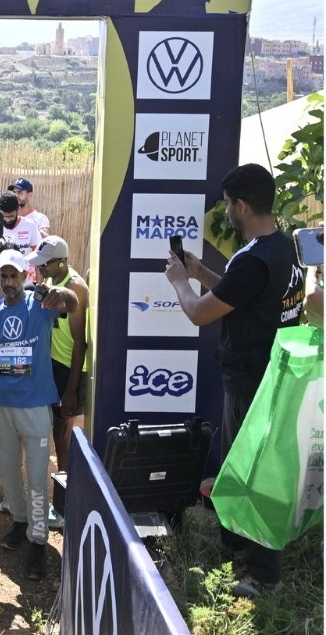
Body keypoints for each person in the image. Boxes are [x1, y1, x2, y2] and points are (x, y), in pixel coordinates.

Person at [164, 163, 305, 598]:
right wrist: (199, 273)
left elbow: (199, 313)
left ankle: (262, 575)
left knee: (259, 477)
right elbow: (241, 295)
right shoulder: (283, 247)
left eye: (227, 204)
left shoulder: (252, 259)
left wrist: (179, 283)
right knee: (243, 468)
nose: (226, 211)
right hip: (271, 377)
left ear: (241, 205)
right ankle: (238, 546)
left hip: (253, 381)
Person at [0, 249, 79, 581]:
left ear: (25, 276)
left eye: (14, 276)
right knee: (9, 472)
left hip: (36, 406)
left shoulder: (41, 304)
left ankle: (38, 540)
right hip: (3, 405)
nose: (9, 282)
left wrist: (60, 292)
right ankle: (20, 521)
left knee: (37, 477)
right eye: (4, 276)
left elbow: (73, 305)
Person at [28, 234, 88, 529]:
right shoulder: (52, 281)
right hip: (52, 366)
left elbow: (80, 344)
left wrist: (71, 390)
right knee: (53, 435)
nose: (40, 269)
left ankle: (63, 508)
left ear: (62, 262)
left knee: (62, 440)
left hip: (69, 371)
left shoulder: (75, 286)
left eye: (45, 264)